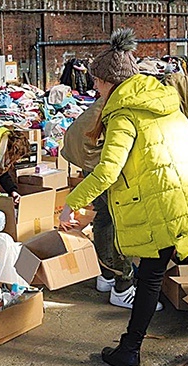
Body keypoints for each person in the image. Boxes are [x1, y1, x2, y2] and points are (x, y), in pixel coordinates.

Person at [60, 28, 188, 366]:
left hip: (165, 204)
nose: (96, 89)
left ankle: (130, 351)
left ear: (110, 82)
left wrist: (72, 202)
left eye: (98, 83)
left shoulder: (123, 114)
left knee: (149, 277)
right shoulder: (164, 101)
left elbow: (106, 172)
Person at [61, 97, 163, 311]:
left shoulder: (107, 101)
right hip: (104, 165)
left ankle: (106, 275)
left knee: (105, 215)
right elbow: (108, 170)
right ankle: (123, 288)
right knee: (121, 219)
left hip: (91, 159)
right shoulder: (126, 105)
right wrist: (70, 206)